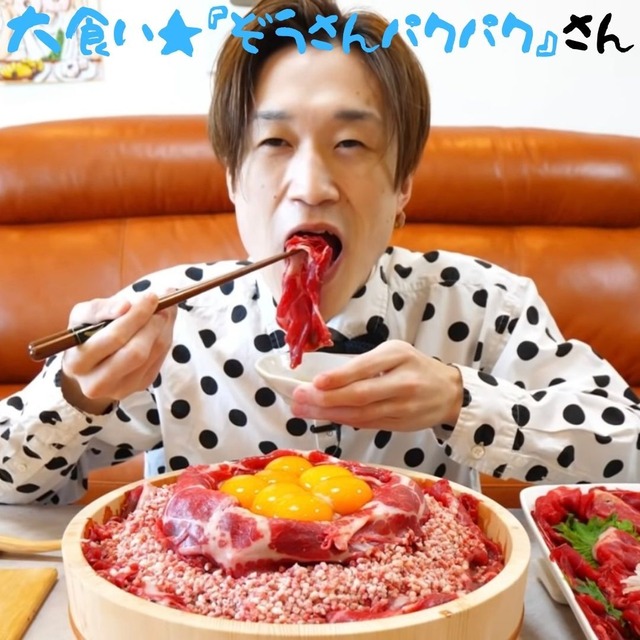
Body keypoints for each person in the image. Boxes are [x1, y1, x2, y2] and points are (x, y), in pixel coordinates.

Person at [1, 0, 638, 505]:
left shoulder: (480, 307)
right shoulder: (171, 325)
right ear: (232, 179)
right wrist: (75, 395)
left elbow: (626, 446)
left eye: (351, 144)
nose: (310, 187)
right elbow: (14, 491)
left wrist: (461, 401)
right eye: (274, 142)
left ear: (403, 184)